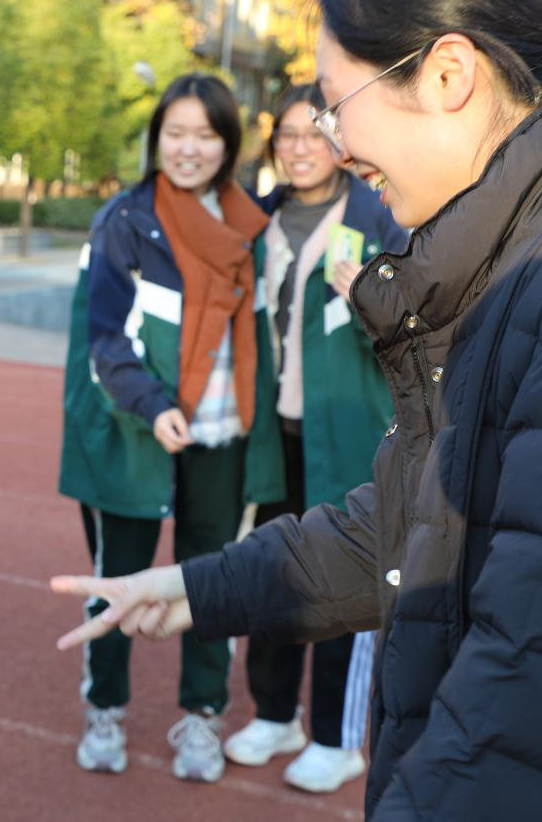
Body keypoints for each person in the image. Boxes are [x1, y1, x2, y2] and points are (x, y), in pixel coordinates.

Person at [53, 0, 542, 817]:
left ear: (448, 75)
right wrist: (204, 587)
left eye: (336, 104)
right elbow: (424, 524)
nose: (333, 143)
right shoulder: (535, 250)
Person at [58, 72, 273, 783]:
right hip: (137, 432)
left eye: (204, 135)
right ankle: (105, 710)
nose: (188, 148)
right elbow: (104, 339)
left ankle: (203, 717)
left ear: (228, 144)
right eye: (174, 133)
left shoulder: (251, 224)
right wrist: (153, 406)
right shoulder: (124, 220)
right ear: (156, 140)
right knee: (117, 579)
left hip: (223, 433)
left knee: (212, 583)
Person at [222, 84, 407, 794]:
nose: (301, 148)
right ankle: (275, 714)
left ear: (340, 142)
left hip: (350, 432)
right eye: (287, 136)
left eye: (316, 133)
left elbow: (414, 327)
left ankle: (337, 736)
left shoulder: (377, 217)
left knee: (342, 580)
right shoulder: (257, 220)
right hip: (275, 434)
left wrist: (373, 303)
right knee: (273, 570)